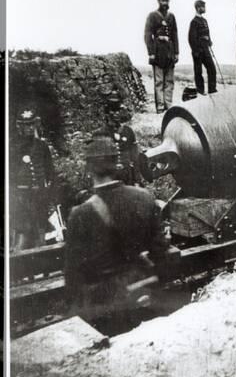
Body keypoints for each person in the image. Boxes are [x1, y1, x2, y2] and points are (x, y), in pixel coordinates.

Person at [64, 131, 169, 307]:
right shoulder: (145, 198)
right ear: (116, 164)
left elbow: (73, 277)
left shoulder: (80, 214)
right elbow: (160, 252)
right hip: (144, 295)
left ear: (88, 168)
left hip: (105, 306)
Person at [9, 108, 55, 250]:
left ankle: (43, 265)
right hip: (22, 198)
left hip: (40, 196)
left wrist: (50, 194)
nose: (29, 128)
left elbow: (50, 172)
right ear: (19, 126)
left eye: (31, 124)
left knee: (43, 232)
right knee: (23, 233)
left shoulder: (42, 146)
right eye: (26, 125)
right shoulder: (12, 148)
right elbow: (10, 176)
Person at [144, 0, 179, 112]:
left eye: (167, 0)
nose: (165, 2)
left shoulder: (171, 16)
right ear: (158, 1)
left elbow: (175, 34)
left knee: (169, 80)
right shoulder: (152, 16)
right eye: (163, 0)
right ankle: (160, 107)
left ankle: (168, 105)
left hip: (169, 51)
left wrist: (176, 52)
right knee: (159, 81)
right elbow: (148, 35)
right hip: (158, 51)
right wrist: (151, 53)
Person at [188, 0, 217, 95]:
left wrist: (209, 41)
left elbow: (207, 33)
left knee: (212, 69)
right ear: (198, 8)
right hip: (198, 50)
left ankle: (212, 90)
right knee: (198, 72)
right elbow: (191, 38)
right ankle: (200, 92)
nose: (204, 8)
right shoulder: (194, 21)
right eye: (203, 7)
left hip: (205, 48)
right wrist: (195, 51)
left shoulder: (204, 20)